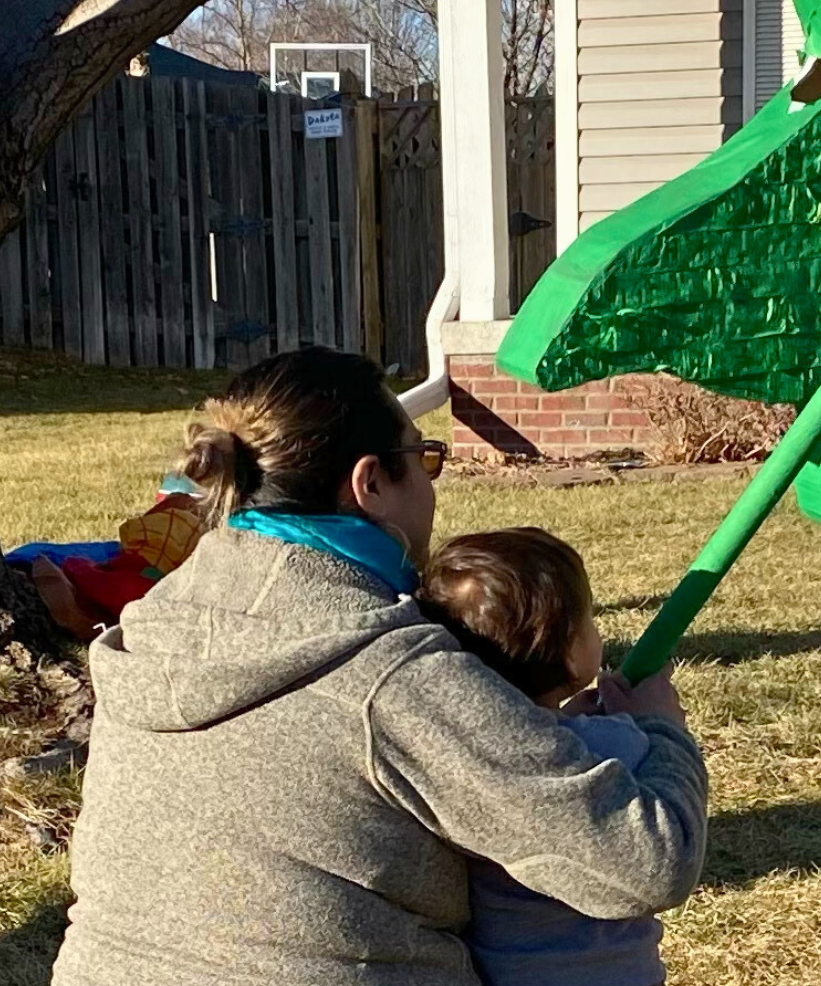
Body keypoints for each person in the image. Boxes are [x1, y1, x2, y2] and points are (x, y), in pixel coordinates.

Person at [52, 347, 708, 986]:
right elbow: (641, 864)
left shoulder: (154, 623)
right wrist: (664, 736)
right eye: (424, 458)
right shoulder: (390, 674)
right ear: (370, 483)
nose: (430, 481)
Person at [417, 528, 684, 986]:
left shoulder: (456, 752)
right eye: (591, 619)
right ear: (568, 650)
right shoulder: (620, 744)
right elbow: (672, 822)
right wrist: (663, 726)